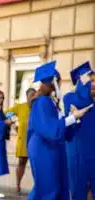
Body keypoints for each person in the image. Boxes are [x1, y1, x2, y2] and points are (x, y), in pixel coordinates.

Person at [26, 61, 91, 200]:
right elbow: (48, 128)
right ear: (53, 83)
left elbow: (60, 127)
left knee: (53, 187)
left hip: (51, 148)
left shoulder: (51, 102)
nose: (60, 85)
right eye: (59, 82)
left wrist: (74, 118)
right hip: (43, 149)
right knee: (48, 189)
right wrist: (73, 117)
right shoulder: (42, 101)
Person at [63, 61, 95, 200]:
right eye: (91, 80)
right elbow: (82, 102)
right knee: (78, 191)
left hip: (92, 153)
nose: (93, 84)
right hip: (78, 154)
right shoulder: (69, 98)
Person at [5, 88, 36, 194]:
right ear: (27, 96)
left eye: (34, 95)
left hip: (35, 141)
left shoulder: (37, 107)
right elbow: (7, 113)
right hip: (23, 140)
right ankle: (18, 185)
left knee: (36, 164)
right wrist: (14, 123)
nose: (33, 97)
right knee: (21, 162)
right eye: (31, 95)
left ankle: (38, 187)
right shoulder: (20, 106)